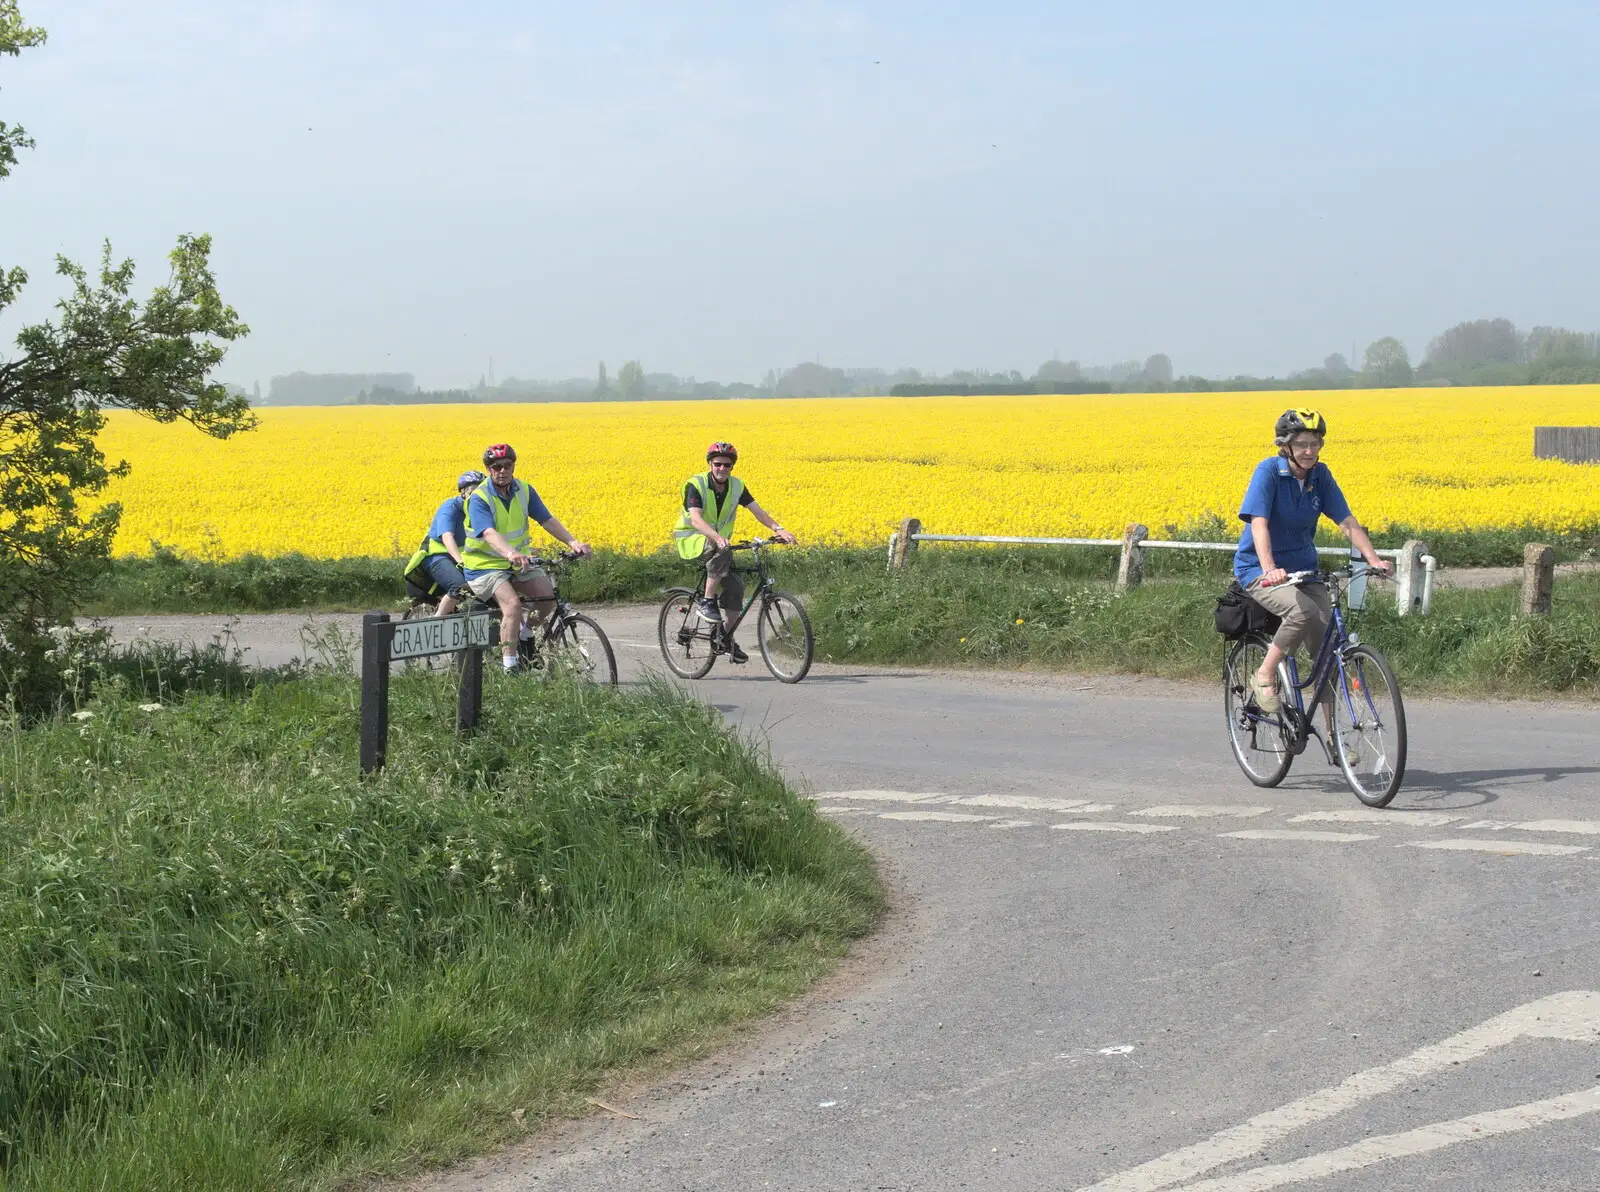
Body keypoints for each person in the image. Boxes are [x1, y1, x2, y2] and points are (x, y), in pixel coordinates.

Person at [1233, 409, 1391, 716]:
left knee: (1327, 649)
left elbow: (1346, 521)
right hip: (1259, 569)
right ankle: (1265, 674)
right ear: (1286, 446)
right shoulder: (1268, 472)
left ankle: (1334, 738)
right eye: (1303, 444)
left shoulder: (1321, 476)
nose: (1309, 451)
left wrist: (1374, 560)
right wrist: (1269, 568)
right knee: (1300, 610)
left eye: (1315, 444)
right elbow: (1259, 524)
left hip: (1305, 569)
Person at [459, 443, 592, 672]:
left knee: (548, 598)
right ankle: (509, 667)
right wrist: (510, 552)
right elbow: (489, 533)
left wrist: (573, 542)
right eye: (496, 466)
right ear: (489, 469)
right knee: (512, 606)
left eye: (507, 465)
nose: (502, 471)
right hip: (485, 565)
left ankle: (525, 634)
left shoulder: (525, 490)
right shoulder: (480, 498)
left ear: (513, 466)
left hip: (518, 563)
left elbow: (547, 519)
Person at [670, 441, 796, 664]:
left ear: (732, 467)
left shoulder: (737, 486)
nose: (722, 469)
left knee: (736, 586)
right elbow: (696, 519)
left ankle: (724, 638)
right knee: (721, 551)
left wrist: (779, 529)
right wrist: (717, 537)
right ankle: (707, 601)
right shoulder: (695, 484)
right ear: (710, 464)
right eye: (717, 464)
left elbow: (758, 511)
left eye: (727, 465)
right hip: (693, 539)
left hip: (721, 543)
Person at [403, 470, 485, 616]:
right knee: (459, 586)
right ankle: (436, 621)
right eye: (472, 492)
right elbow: (447, 537)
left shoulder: (483, 511)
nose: (476, 496)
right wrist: (460, 561)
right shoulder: (450, 508)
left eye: (481, 492)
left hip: (462, 556)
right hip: (436, 556)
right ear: (463, 493)